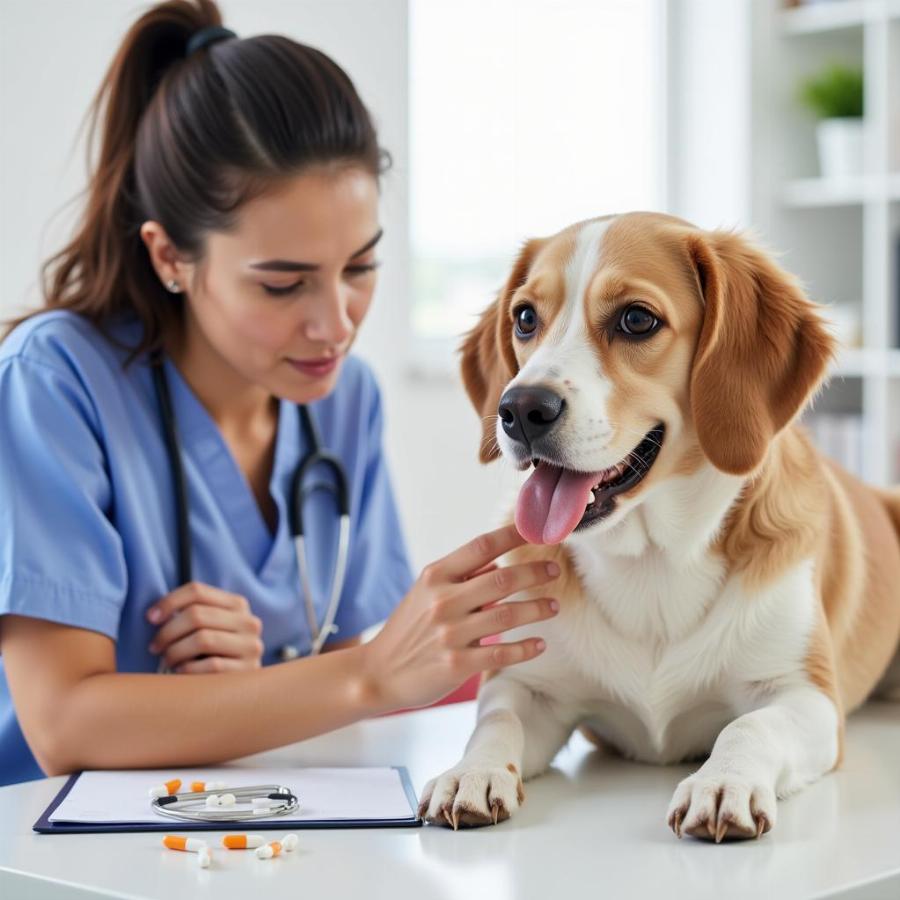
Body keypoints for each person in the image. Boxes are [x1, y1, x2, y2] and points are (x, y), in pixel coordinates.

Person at [0, 0, 560, 788]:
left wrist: (262, 675)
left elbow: (325, 678)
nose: (335, 325)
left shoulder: (344, 402)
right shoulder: (55, 382)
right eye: (283, 284)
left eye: (359, 269)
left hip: (246, 829)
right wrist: (369, 675)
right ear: (169, 258)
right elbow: (62, 724)